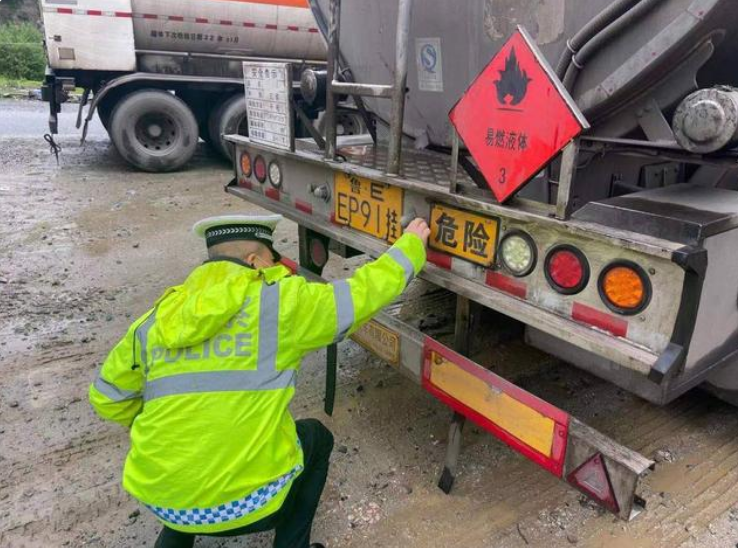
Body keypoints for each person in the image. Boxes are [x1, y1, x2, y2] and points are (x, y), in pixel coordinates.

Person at [89, 213, 431, 548]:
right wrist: (411, 247)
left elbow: (106, 398)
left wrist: (168, 427)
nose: (278, 266)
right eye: (273, 258)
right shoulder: (281, 302)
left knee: (185, 472)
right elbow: (361, 293)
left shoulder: (155, 319)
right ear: (255, 261)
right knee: (317, 438)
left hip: (161, 499)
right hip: (252, 508)